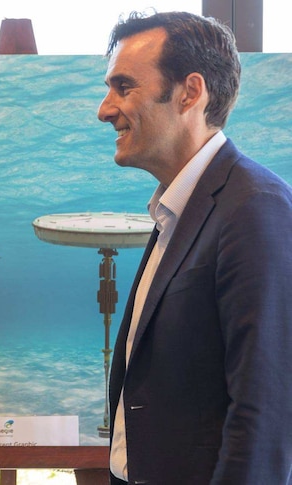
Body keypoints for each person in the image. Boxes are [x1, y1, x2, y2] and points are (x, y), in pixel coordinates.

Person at [98, 11, 292, 484]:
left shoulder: (254, 207)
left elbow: (265, 415)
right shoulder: (181, 207)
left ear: (190, 92)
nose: (104, 109)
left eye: (124, 87)